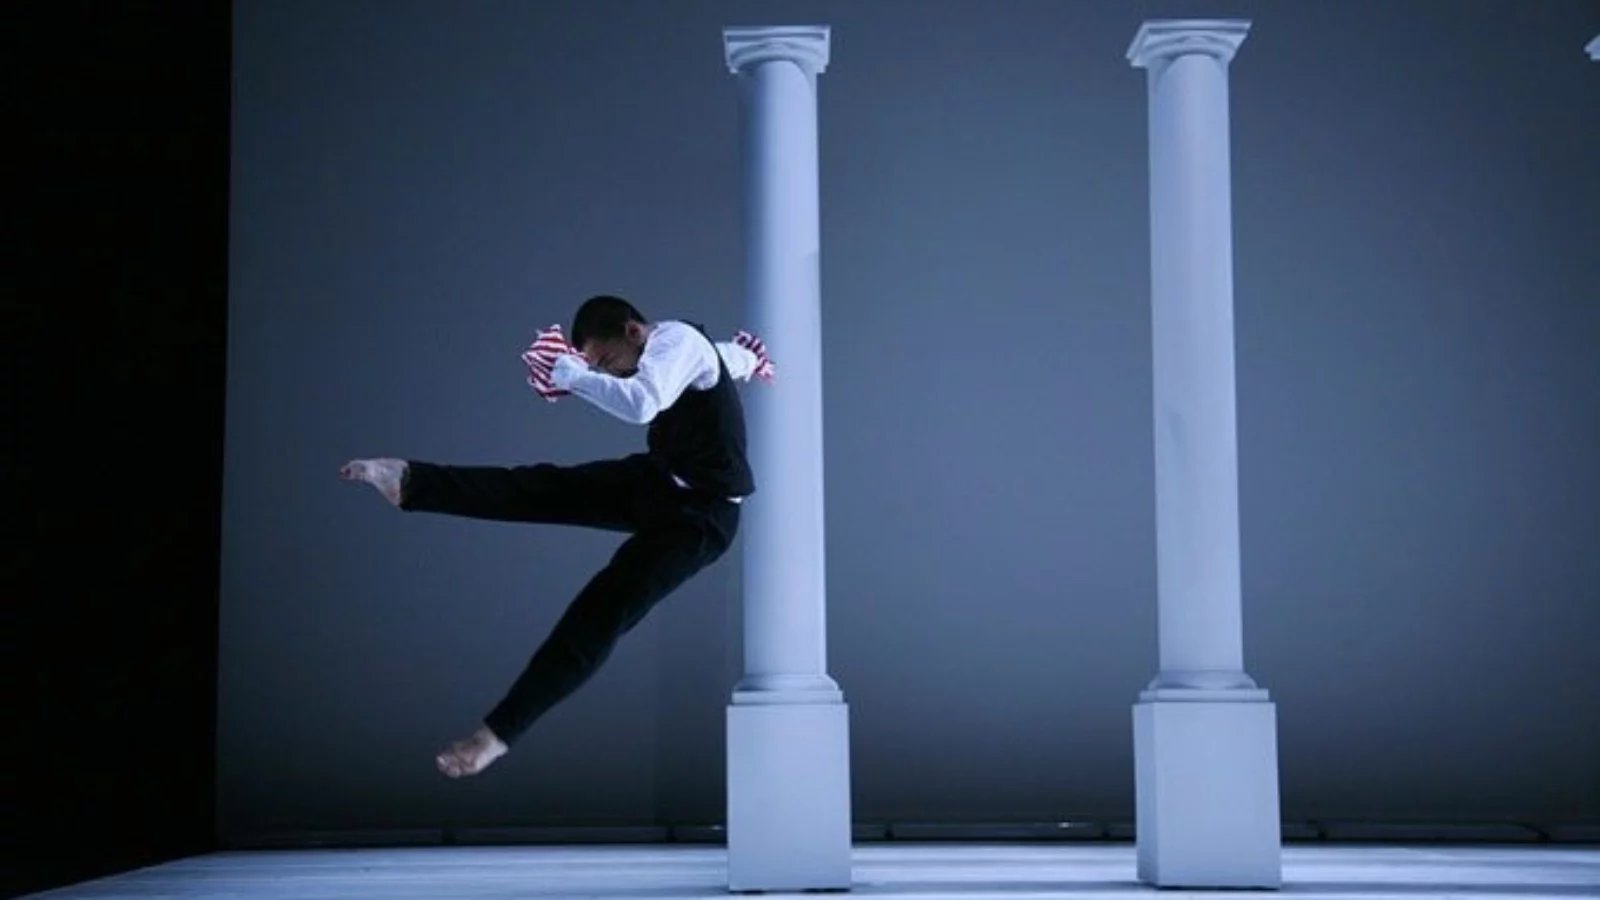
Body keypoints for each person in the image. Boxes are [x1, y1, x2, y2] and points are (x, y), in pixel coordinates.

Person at [339, 294, 774, 778]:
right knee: (539, 488)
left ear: (633, 331)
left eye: (606, 360)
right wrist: (750, 357)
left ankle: (496, 736)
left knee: (600, 611)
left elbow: (643, 403)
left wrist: (570, 375)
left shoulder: (677, 342)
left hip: (703, 520)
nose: (607, 373)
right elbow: (727, 359)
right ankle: (410, 482)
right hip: (659, 482)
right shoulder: (679, 352)